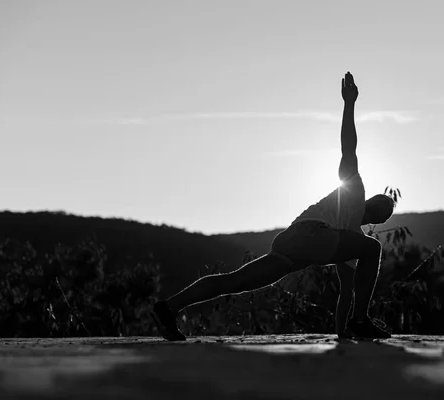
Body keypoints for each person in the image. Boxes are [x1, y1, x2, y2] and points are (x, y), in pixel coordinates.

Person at [151, 72, 395, 341]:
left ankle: (168, 308)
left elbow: (348, 290)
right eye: (382, 207)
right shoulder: (353, 193)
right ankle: (361, 322)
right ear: (371, 203)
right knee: (373, 249)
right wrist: (349, 104)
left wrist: (342, 337)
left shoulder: (352, 242)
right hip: (310, 234)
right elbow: (348, 149)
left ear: (378, 222)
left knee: (236, 281)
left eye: (385, 214)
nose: (381, 213)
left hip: (288, 248)